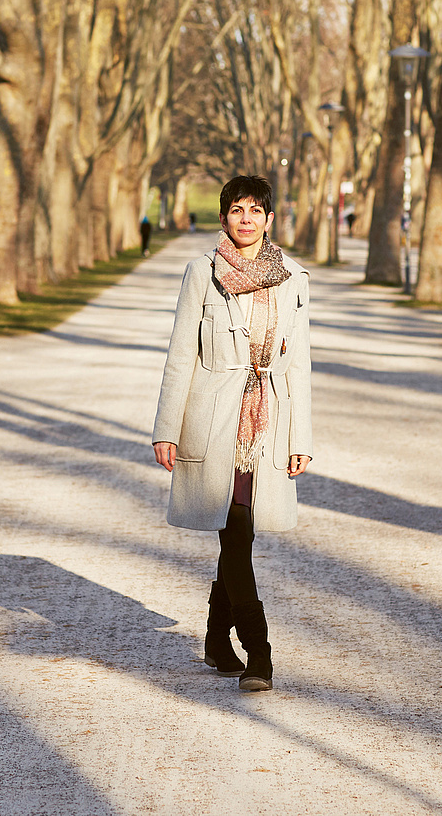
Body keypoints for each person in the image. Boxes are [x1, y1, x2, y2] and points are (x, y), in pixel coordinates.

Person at [152, 175, 313, 692]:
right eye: (236, 210)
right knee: (236, 533)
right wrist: (166, 429)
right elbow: (181, 355)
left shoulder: (293, 278)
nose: (246, 219)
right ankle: (259, 652)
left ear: (270, 219)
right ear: (223, 218)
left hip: (267, 423)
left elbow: (300, 365)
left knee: (239, 532)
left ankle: (217, 640)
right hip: (215, 418)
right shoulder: (202, 273)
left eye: (255, 211)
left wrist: (300, 438)